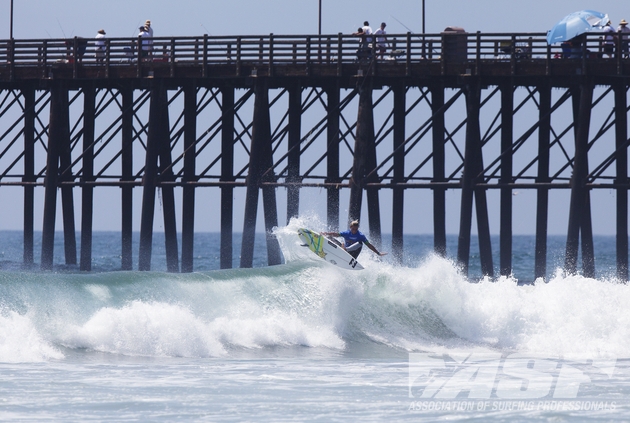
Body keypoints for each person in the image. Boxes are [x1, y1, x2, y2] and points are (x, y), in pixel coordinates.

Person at [322, 220, 387, 259]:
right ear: (350, 227)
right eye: (353, 229)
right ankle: (324, 247)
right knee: (329, 237)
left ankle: (345, 249)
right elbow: (336, 234)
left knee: (360, 243)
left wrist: (378, 253)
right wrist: (326, 233)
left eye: (356, 229)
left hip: (352, 255)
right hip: (343, 251)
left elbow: (369, 245)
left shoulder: (360, 236)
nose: (354, 231)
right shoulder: (346, 233)